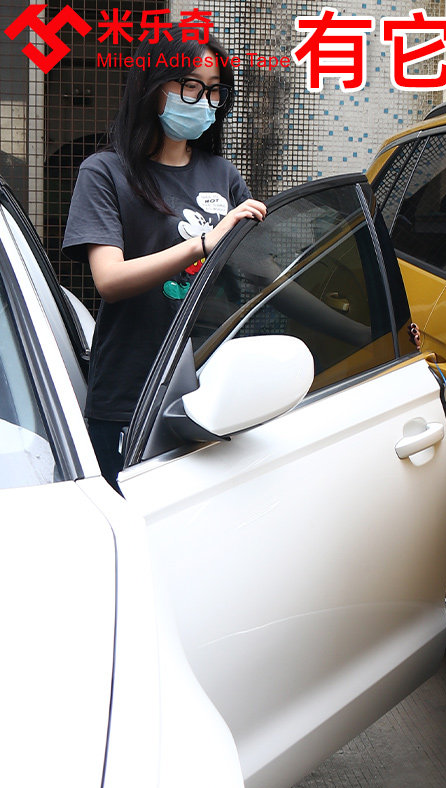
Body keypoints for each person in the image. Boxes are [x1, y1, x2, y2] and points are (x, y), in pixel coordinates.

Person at [63, 28, 266, 490]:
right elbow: (109, 279)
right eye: (191, 86)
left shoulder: (223, 174)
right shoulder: (106, 172)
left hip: (213, 393)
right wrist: (202, 244)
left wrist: (372, 330)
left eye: (214, 92)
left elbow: (267, 276)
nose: (204, 102)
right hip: (131, 396)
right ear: (152, 85)